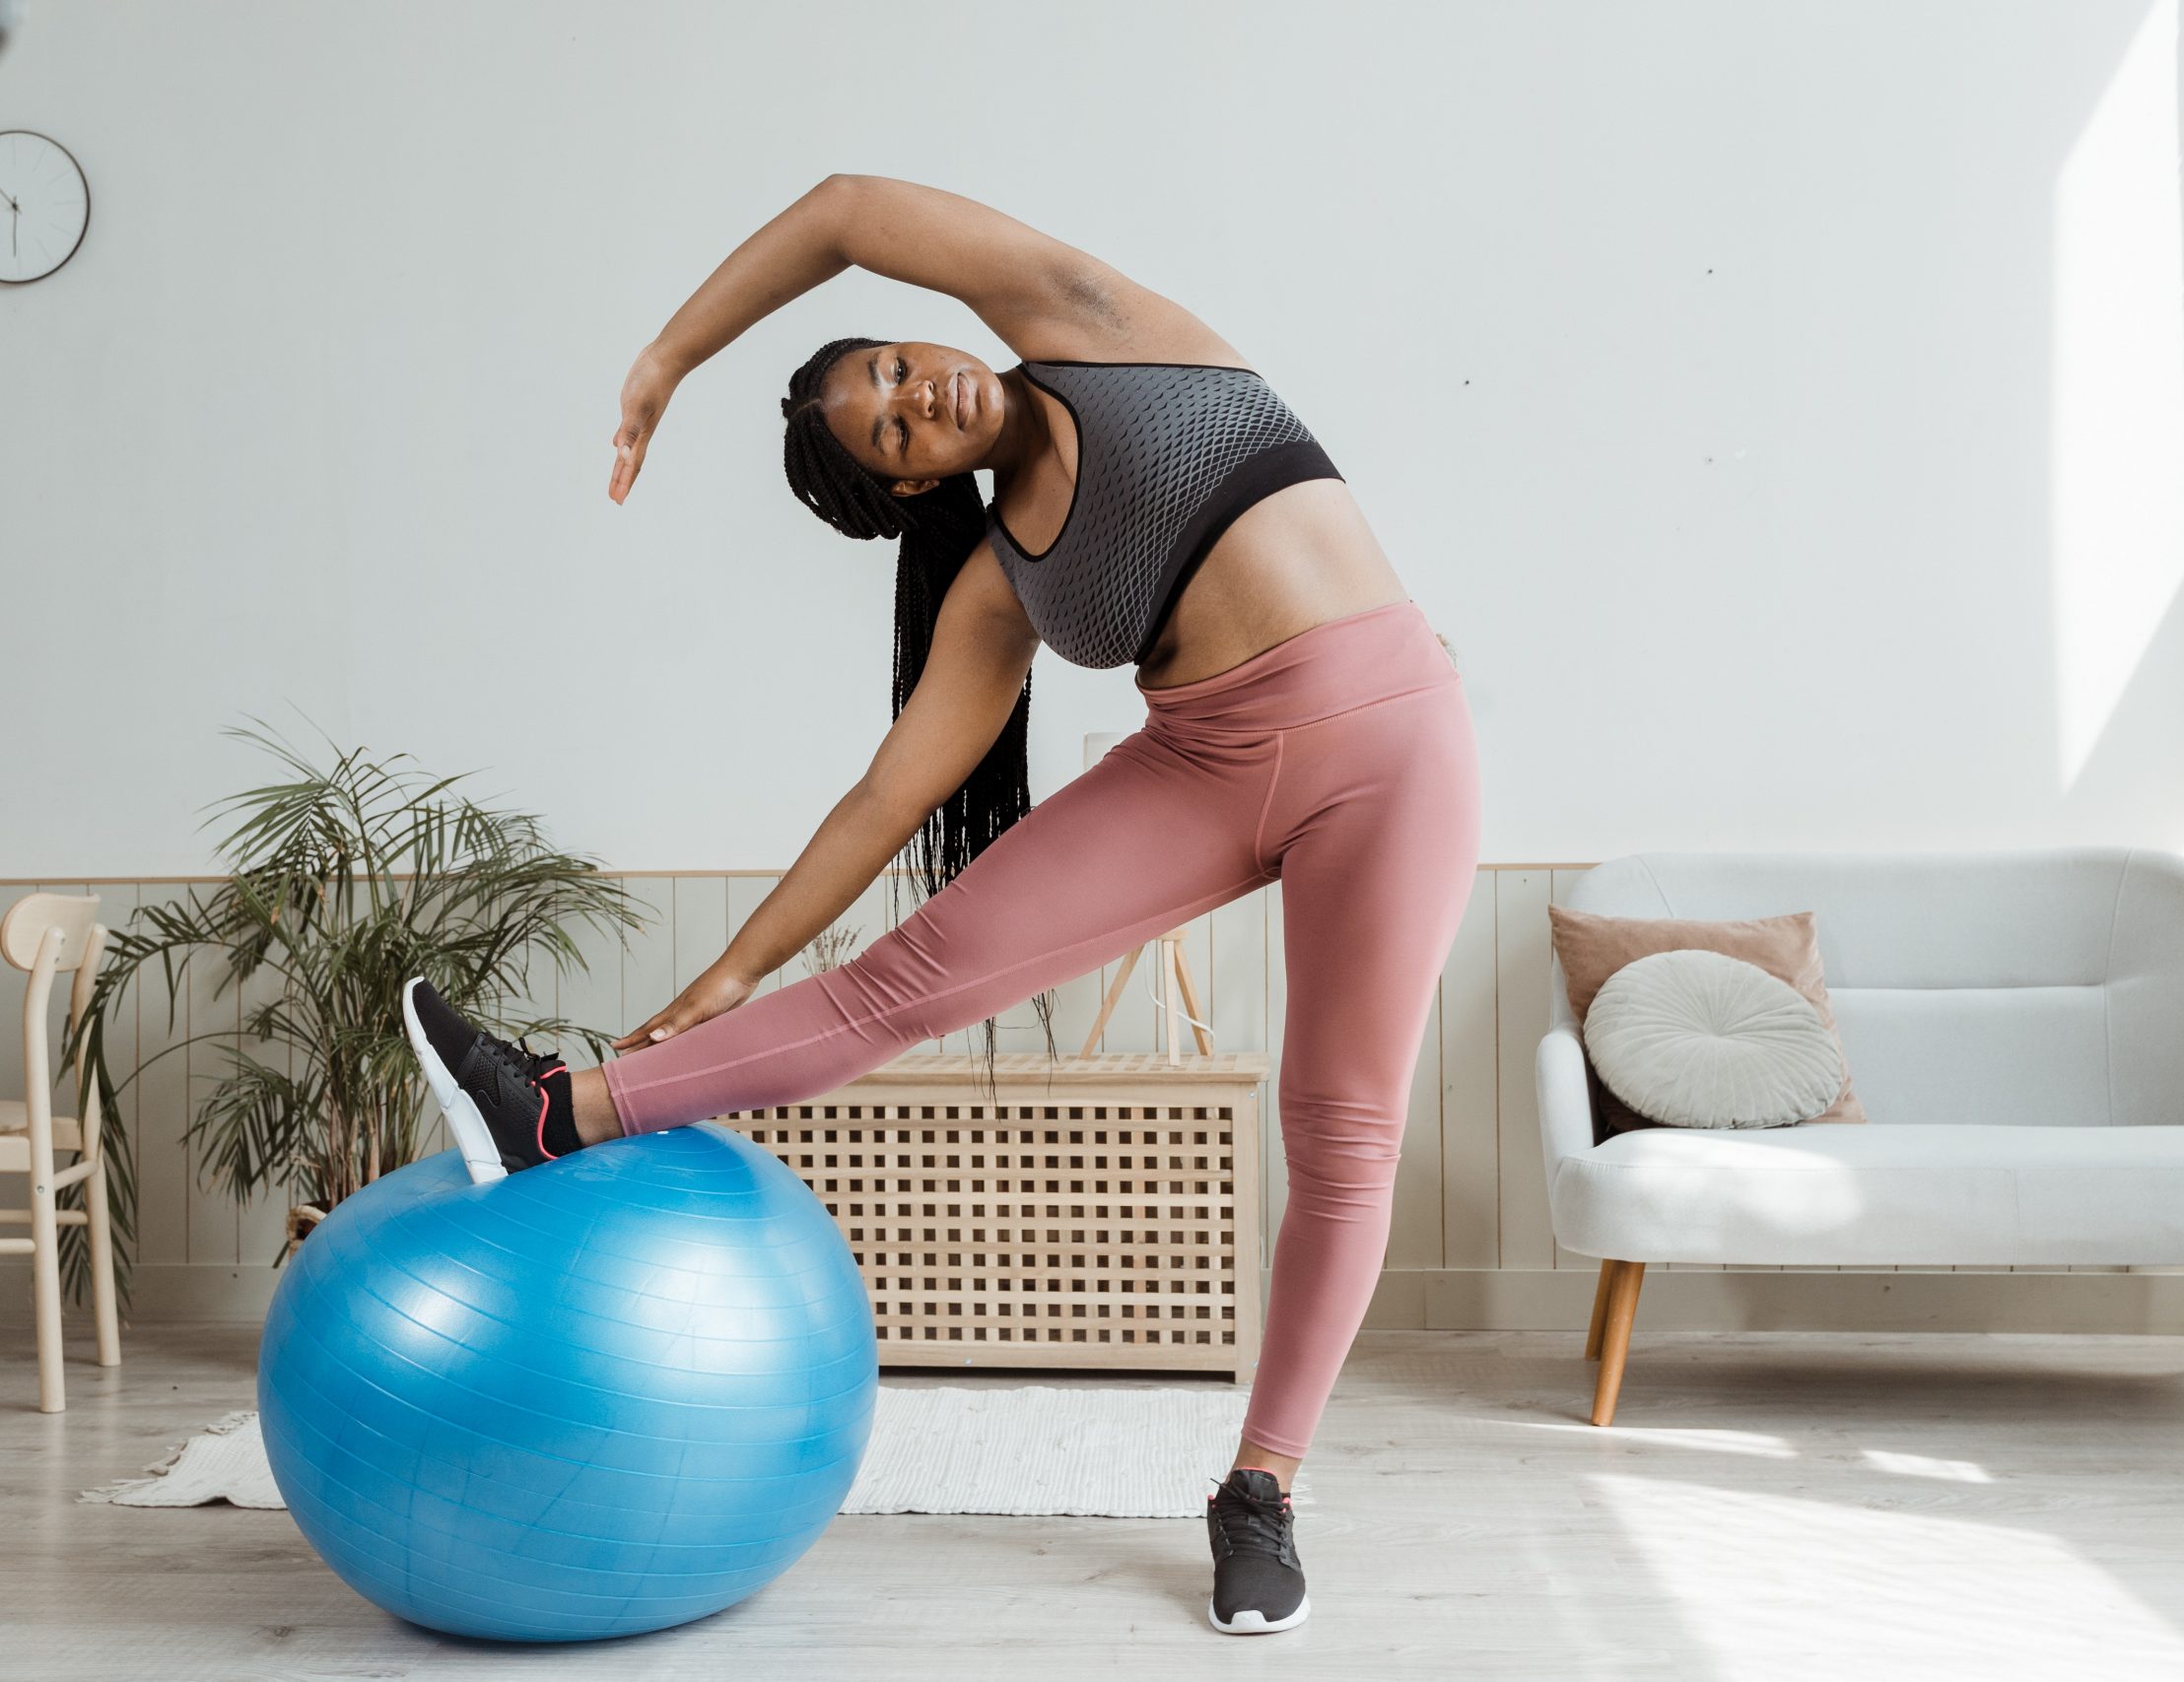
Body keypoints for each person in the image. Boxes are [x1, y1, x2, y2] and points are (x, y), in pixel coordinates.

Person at [400, 172, 1481, 1637]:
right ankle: (555, 1112)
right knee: (895, 985)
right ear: (908, 486)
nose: (921, 396)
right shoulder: (999, 583)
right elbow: (883, 802)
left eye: (896, 368)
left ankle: (1262, 1492)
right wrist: (731, 969)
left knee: (1342, 1135)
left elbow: (845, 208)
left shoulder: (1094, 326)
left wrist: (666, 359)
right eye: (892, 428)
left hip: (1394, 747)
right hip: (1206, 763)